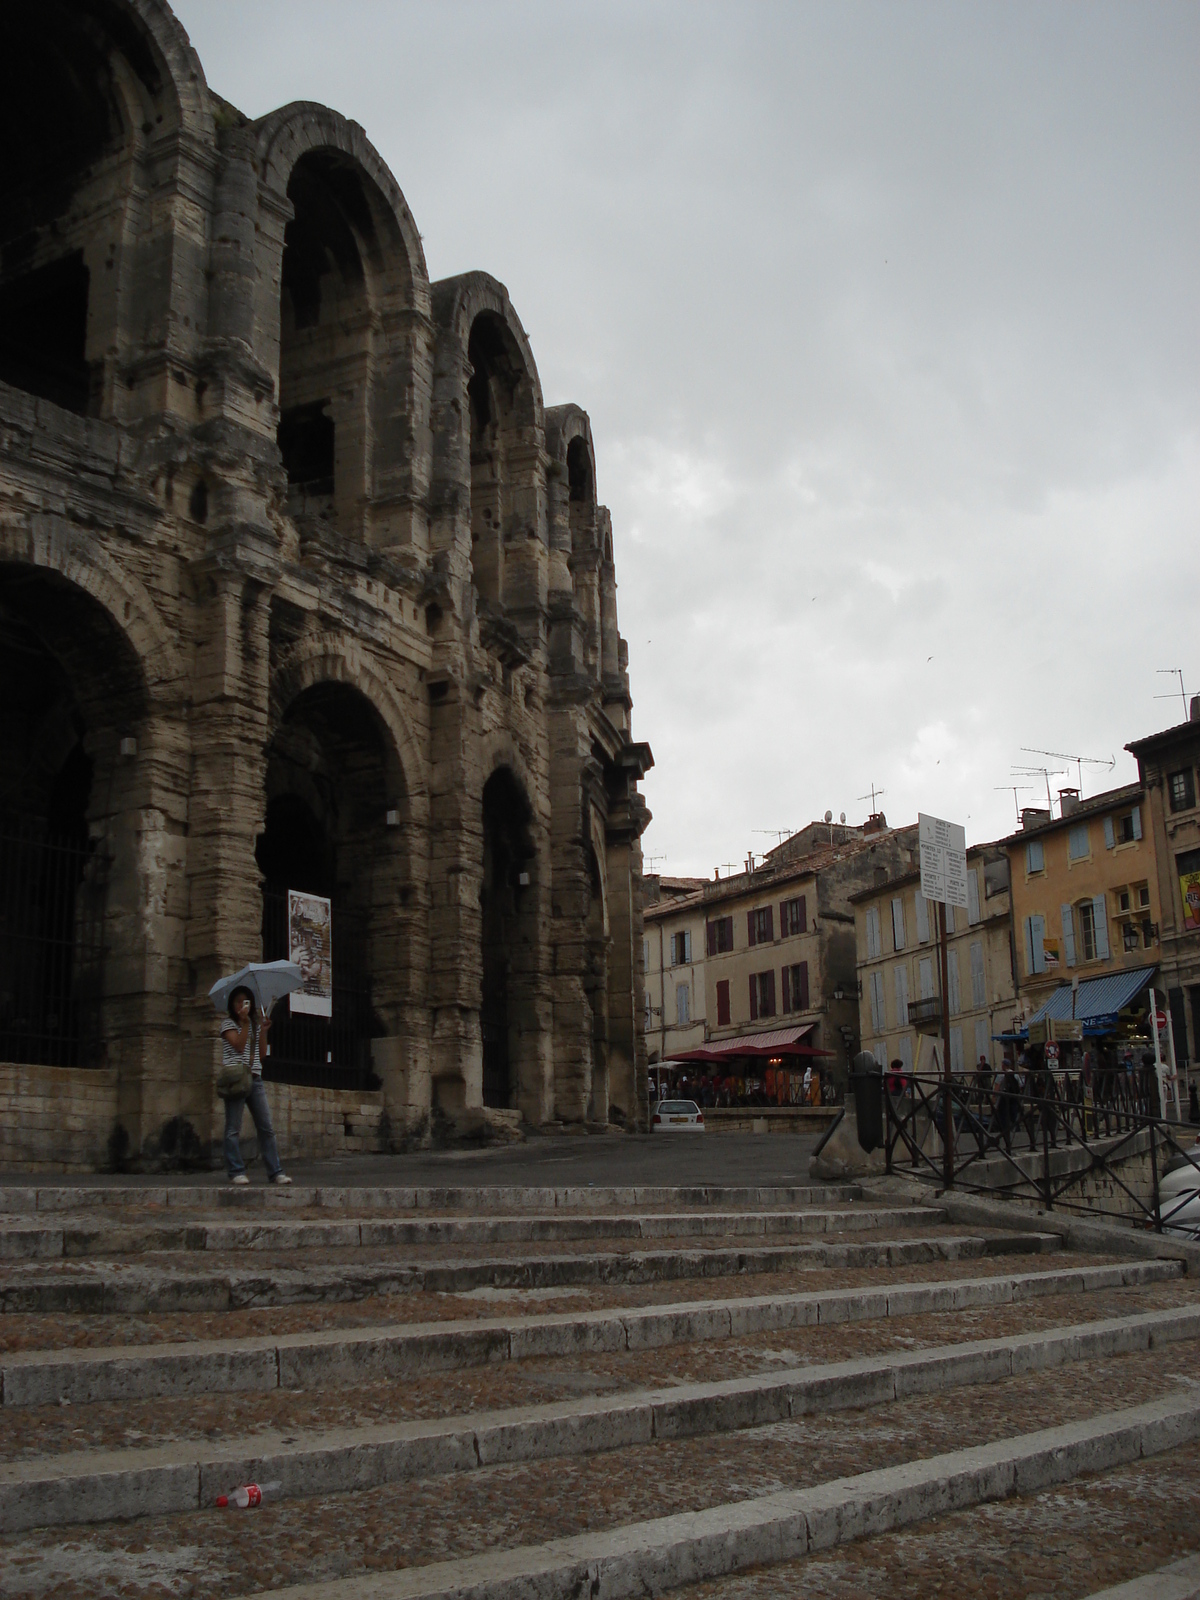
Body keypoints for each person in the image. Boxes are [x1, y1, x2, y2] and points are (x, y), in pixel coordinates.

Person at [220, 986, 291, 1186]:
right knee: (233, 1128)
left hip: (254, 1077)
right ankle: (236, 1171)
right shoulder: (227, 1024)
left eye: (245, 1001)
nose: (241, 1005)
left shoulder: (253, 1024)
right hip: (236, 1078)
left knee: (266, 1127)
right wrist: (243, 1024)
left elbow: (260, 1054)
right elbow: (239, 1046)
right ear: (232, 1004)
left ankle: (275, 1171)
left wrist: (262, 1031)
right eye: (237, 1001)